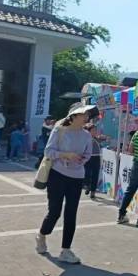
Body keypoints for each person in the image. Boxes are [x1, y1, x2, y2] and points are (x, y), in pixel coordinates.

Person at [35, 103, 95, 264]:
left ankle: (66, 250)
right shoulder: (59, 130)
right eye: (84, 114)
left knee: (71, 213)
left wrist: (82, 159)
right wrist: (66, 155)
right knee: (55, 212)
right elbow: (48, 151)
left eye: (87, 114)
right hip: (57, 175)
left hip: (77, 176)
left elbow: (88, 153)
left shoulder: (86, 135)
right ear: (74, 116)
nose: (87, 117)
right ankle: (41, 235)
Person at [83, 123, 102, 199]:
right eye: (93, 130)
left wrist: (105, 138)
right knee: (86, 173)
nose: (95, 131)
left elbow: (104, 140)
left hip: (96, 157)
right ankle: (88, 185)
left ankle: (93, 191)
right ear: (88, 131)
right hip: (88, 158)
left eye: (95, 130)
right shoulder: (84, 138)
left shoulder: (97, 138)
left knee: (95, 174)